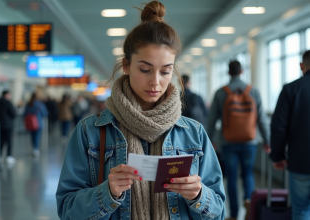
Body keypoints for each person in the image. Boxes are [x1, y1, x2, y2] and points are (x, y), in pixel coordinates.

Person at [56, 2, 226, 220]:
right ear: (126, 66)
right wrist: (107, 193)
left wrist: (199, 195)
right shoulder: (89, 132)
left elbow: (219, 211)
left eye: (166, 71)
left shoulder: (194, 133)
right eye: (145, 70)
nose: (156, 82)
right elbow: (67, 211)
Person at [207, 60, 270, 220]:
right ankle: (248, 201)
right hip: (250, 141)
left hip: (228, 141)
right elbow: (262, 119)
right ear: (242, 71)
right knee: (248, 173)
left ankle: (234, 214)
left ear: (229, 73)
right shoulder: (253, 91)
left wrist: (210, 141)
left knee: (231, 176)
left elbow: (212, 120)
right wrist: (268, 141)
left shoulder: (221, 92)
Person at [270, 50, 310, 220]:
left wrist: (278, 156)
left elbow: (279, 127)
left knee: (301, 211)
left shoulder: (291, 89)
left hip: (301, 162)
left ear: (302, 66)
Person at [0, 90, 16, 164]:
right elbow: (13, 113)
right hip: (8, 125)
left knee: (0, 141)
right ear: (6, 95)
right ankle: (9, 156)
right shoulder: (8, 103)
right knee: (9, 141)